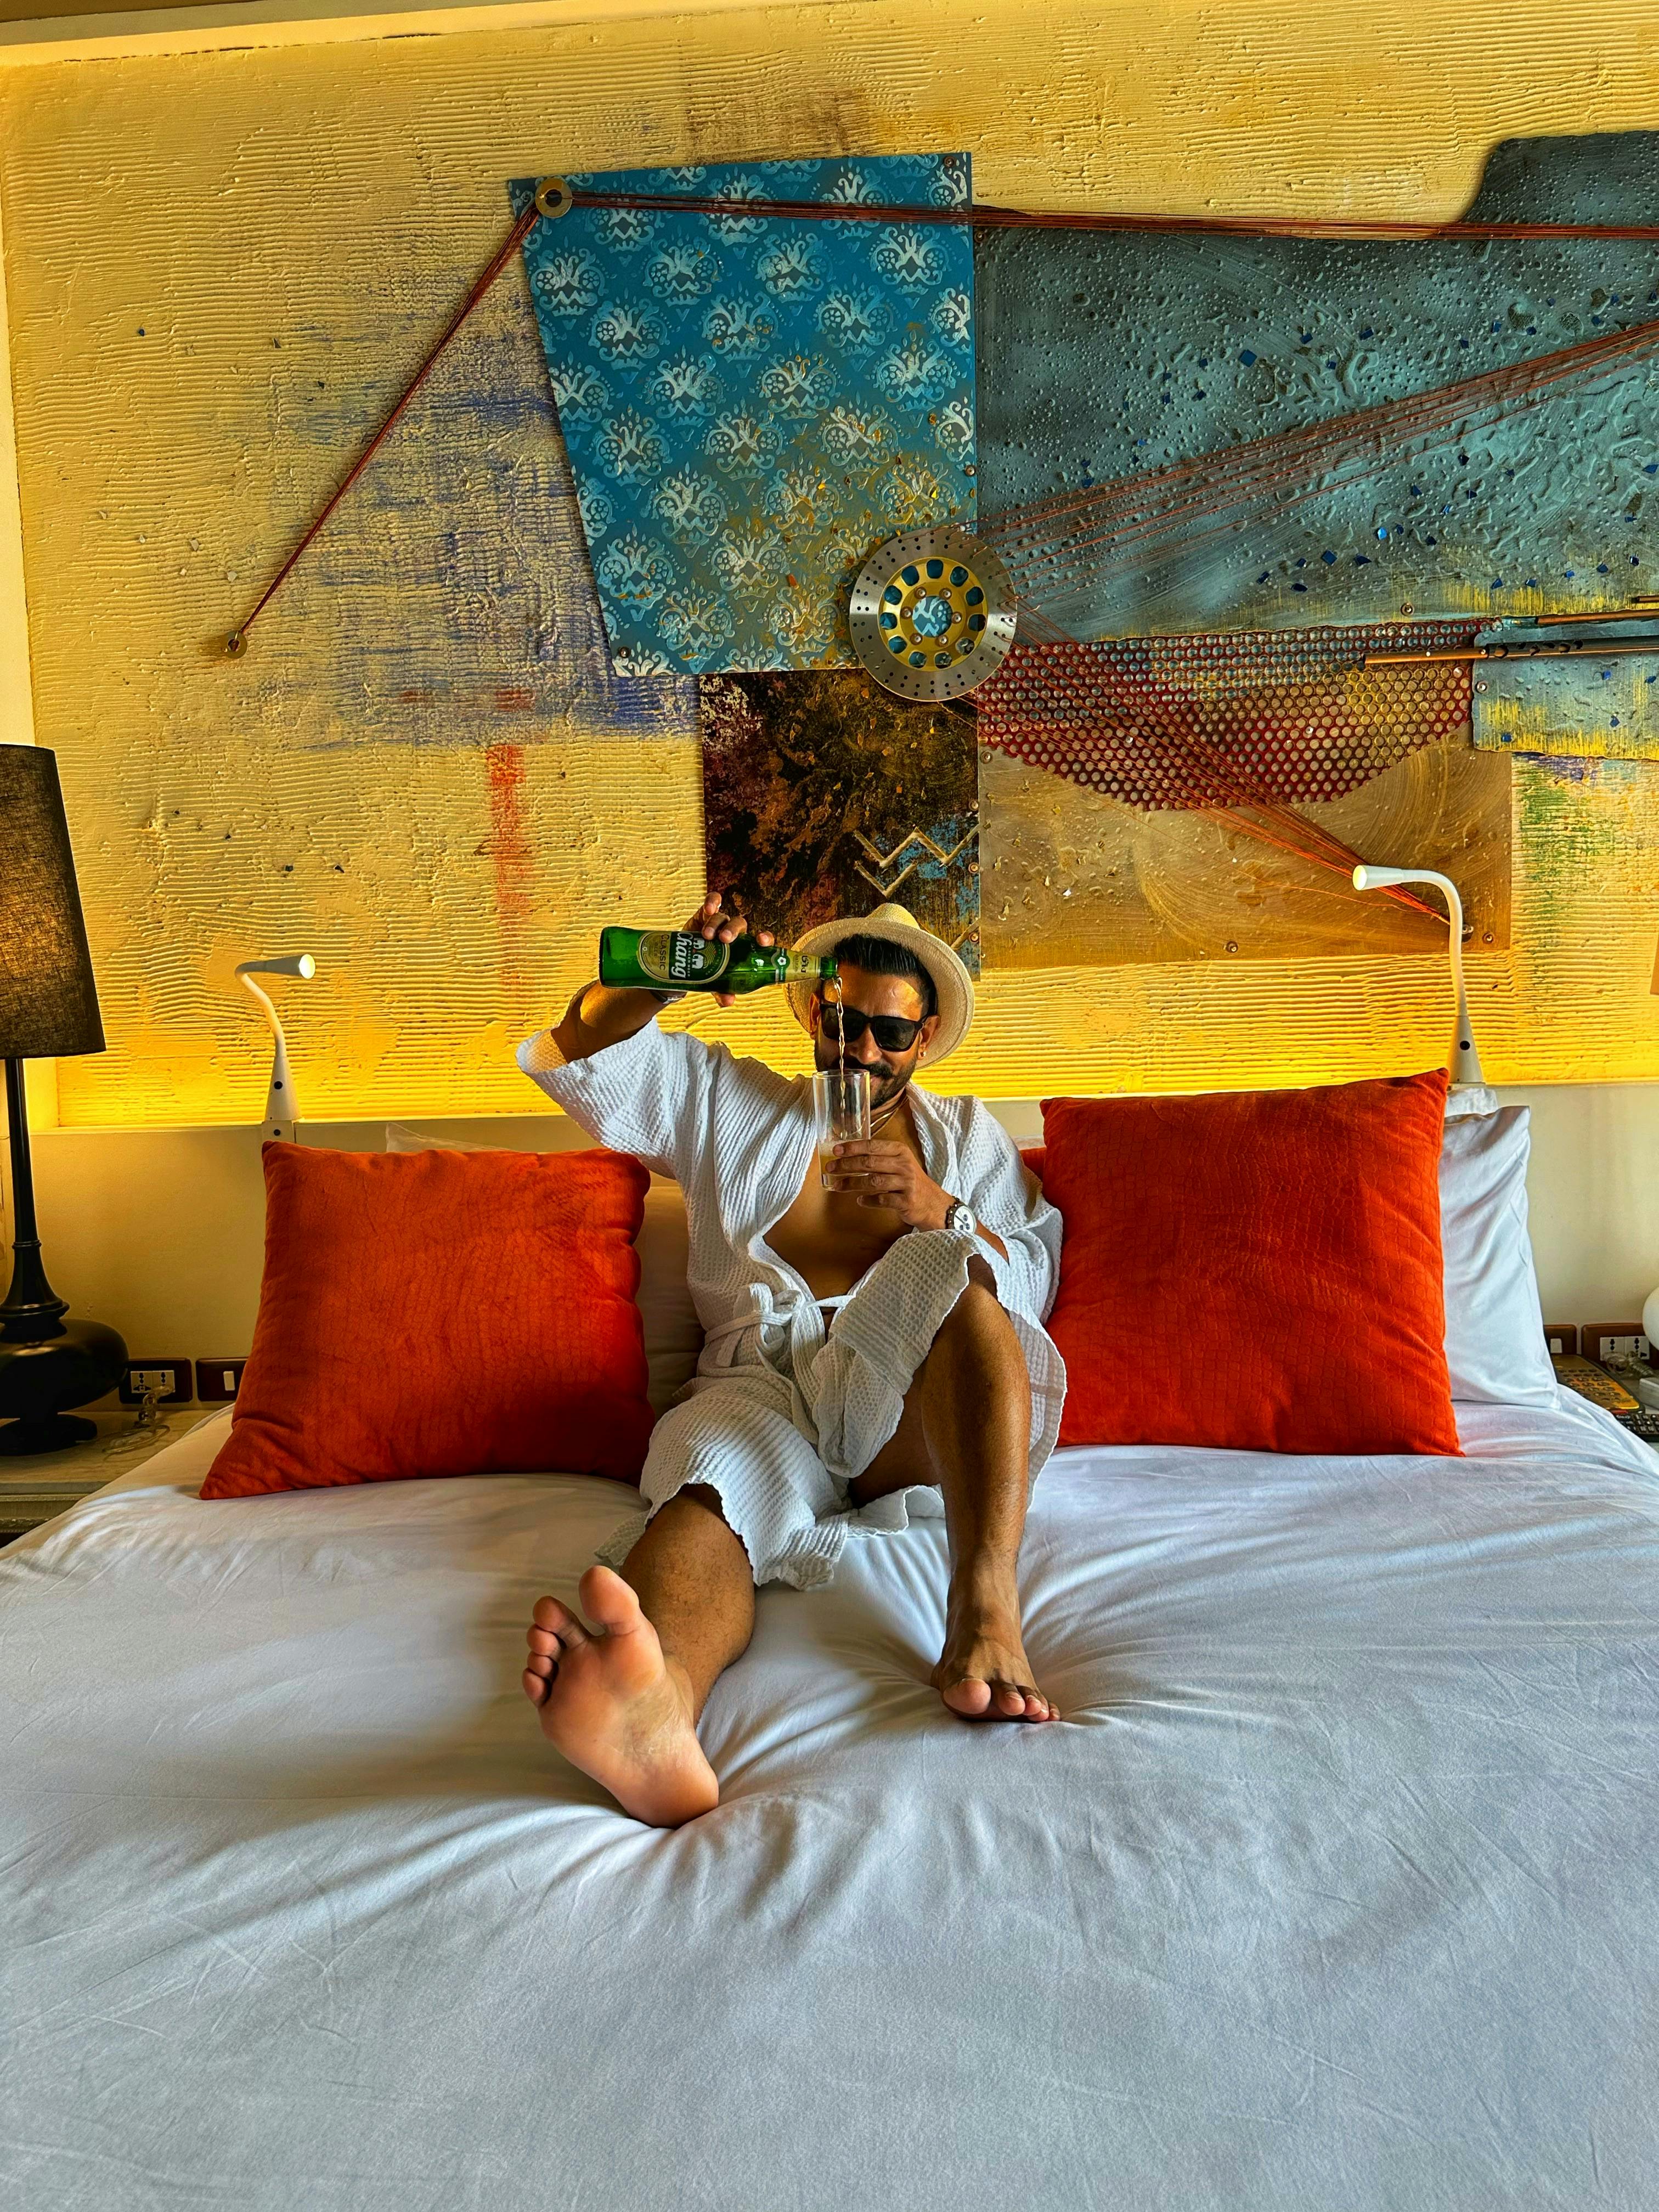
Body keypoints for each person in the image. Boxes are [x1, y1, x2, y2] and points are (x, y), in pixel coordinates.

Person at [515, 895, 1066, 1826]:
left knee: (958, 1272)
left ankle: (985, 1612)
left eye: (887, 1031)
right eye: (844, 1023)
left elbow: (1031, 1285)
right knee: (709, 1483)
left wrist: (941, 1209)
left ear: (925, 1036)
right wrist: (655, 974)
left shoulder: (970, 1142)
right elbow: (586, 1053)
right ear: (816, 1013)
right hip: (759, 1387)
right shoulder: (733, 1105)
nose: (859, 1051)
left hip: (899, 1400)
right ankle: (653, 1713)